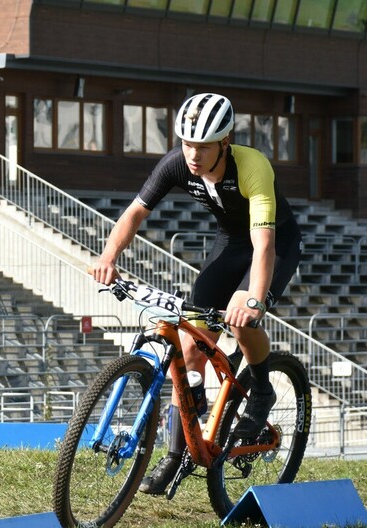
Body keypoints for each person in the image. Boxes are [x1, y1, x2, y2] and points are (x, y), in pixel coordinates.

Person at [90, 92, 302, 495]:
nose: (193, 154)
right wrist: (108, 257)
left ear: (225, 142)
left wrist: (252, 300)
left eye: (203, 146)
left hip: (274, 244)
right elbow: (135, 212)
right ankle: (176, 454)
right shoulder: (176, 163)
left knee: (241, 324)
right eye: (188, 144)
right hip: (230, 243)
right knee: (188, 347)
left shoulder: (252, 166)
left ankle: (261, 389)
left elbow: (264, 245)